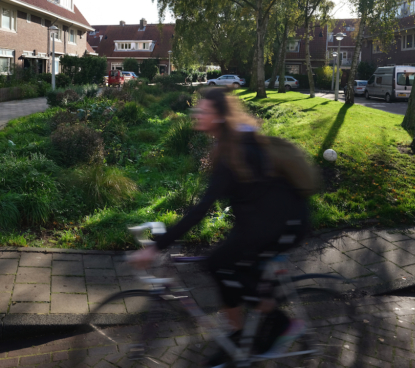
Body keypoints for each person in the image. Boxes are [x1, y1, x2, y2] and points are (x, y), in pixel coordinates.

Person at [130, 88, 311, 366]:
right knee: (222, 266)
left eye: (203, 111)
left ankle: (282, 324)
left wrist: (156, 247)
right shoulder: (231, 143)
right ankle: (239, 337)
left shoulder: (234, 150)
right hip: (263, 223)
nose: (196, 114)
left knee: (222, 267)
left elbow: (201, 210)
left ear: (219, 117)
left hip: (283, 225)